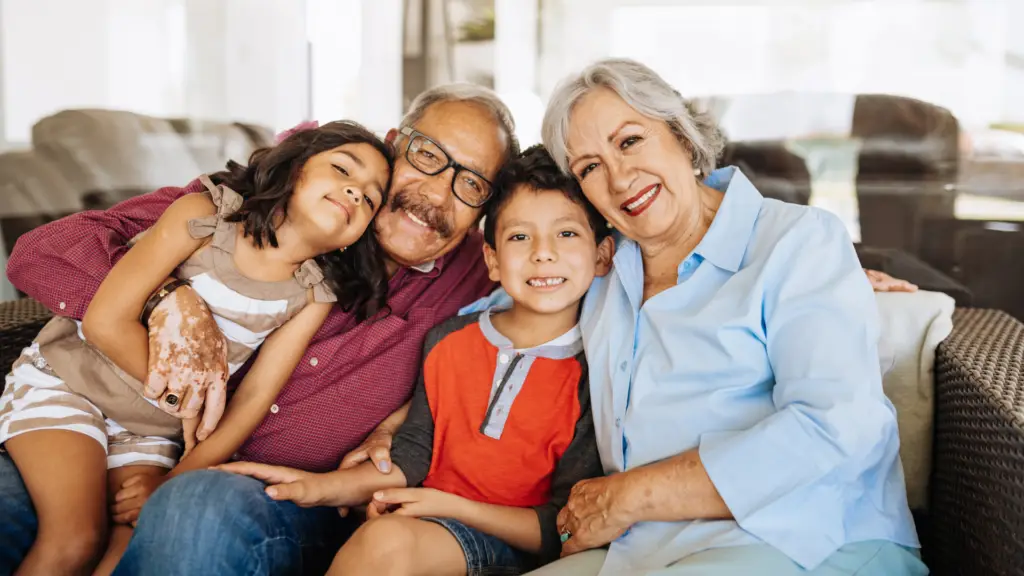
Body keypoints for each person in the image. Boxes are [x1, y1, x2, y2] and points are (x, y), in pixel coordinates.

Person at [0, 84, 516, 576]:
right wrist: (164, 298)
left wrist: (405, 417)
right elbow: (41, 255)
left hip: (276, 497)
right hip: (110, 420)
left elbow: (558, 270)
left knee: (192, 509)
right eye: (427, 155)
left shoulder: (479, 270)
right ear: (392, 145)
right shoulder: (257, 205)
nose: (436, 193)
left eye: (471, 183)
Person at [523, 58, 926, 575]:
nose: (619, 178)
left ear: (684, 139)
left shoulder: (797, 244)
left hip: (811, 543)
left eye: (629, 141)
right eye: (590, 167)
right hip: (645, 553)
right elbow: (502, 300)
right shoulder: (599, 268)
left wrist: (628, 497)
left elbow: (836, 427)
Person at [219, 144, 611, 576]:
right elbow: (411, 456)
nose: (543, 252)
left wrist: (448, 507)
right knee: (378, 538)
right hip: (418, 523)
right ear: (492, 259)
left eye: (567, 234)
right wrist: (318, 488)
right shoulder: (448, 340)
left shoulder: (595, 372)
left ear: (602, 255)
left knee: (387, 543)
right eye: (520, 236)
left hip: (505, 545)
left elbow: (564, 525)